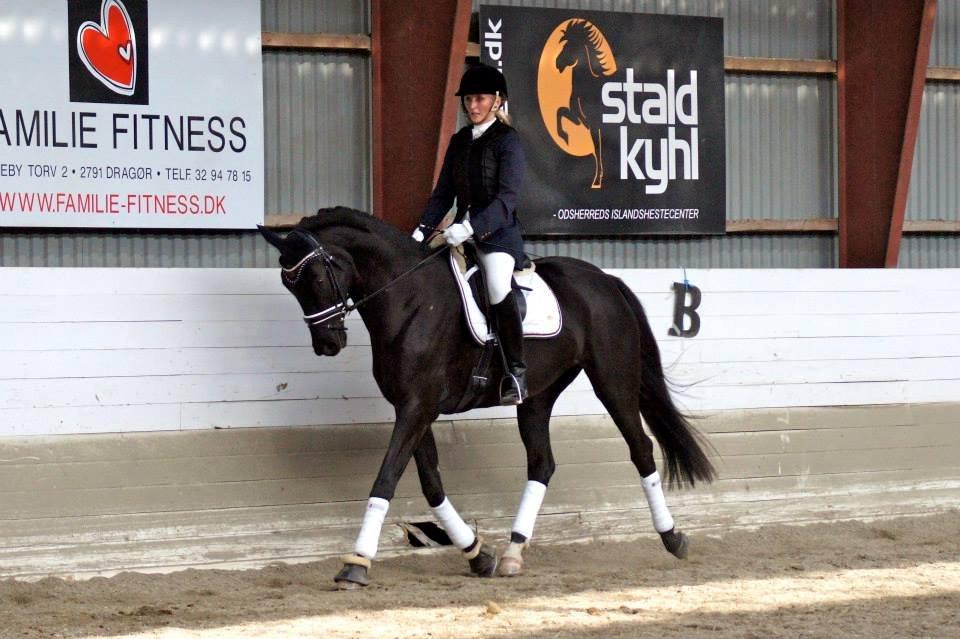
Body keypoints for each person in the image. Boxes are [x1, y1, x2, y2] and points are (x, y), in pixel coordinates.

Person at [412, 63, 528, 405]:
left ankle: (516, 373)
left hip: (497, 237)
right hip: (458, 234)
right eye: (468, 100)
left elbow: (507, 200)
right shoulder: (460, 141)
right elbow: (442, 195)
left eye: (479, 99)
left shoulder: (508, 142)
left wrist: (469, 227)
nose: (472, 106)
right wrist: (419, 234)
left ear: (496, 101)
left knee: (496, 283)